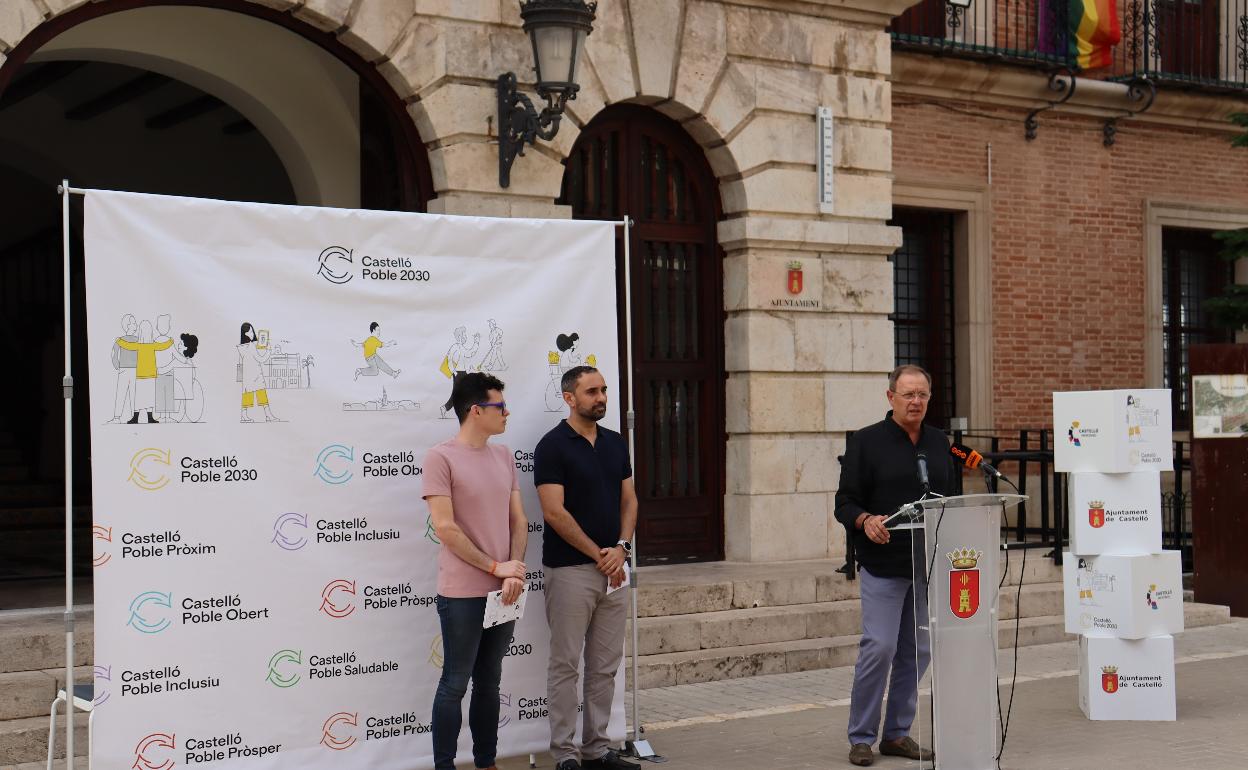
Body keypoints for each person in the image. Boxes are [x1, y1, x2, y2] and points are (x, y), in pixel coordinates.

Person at [834, 364, 954, 767]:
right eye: (908, 394)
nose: (916, 401)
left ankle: (898, 735)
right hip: (883, 565)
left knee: (917, 651)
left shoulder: (940, 442)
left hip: (927, 563)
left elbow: (950, 500)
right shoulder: (867, 443)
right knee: (880, 647)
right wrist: (865, 521)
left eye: (922, 394)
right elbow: (845, 502)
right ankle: (862, 737)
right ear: (891, 398)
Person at [534, 365, 638, 770]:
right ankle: (565, 754)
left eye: (604, 390)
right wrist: (601, 554)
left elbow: (629, 500)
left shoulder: (615, 443)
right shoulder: (552, 446)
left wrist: (622, 549)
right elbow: (553, 512)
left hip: (615, 571)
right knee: (565, 666)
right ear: (569, 397)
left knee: (604, 666)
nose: (602, 397)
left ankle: (596, 749)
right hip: (570, 572)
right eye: (592, 391)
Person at [423, 372, 529, 770]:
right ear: (475, 410)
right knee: (455, 683)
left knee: (490, 681)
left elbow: (518, 521)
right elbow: (446, 527)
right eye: (499, 406)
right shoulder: (440, 457)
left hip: (505, 590)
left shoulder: (504, 456)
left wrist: (513, 571)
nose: (507, 413)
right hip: (462, 592)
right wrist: (494, 566)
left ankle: (487, 763)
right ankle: (445, 765)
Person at [115, 319, 173, 424]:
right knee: (149, 397)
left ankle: (136, 418)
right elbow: (163, 346)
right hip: (150, 375)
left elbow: (128, 345)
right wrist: (171, 341)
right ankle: (149, 418)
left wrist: (119, 341)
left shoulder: (139, 345)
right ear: (150, 332)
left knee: (140, 398)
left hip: (141, 375)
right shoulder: (152, 345)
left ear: (140, 332)